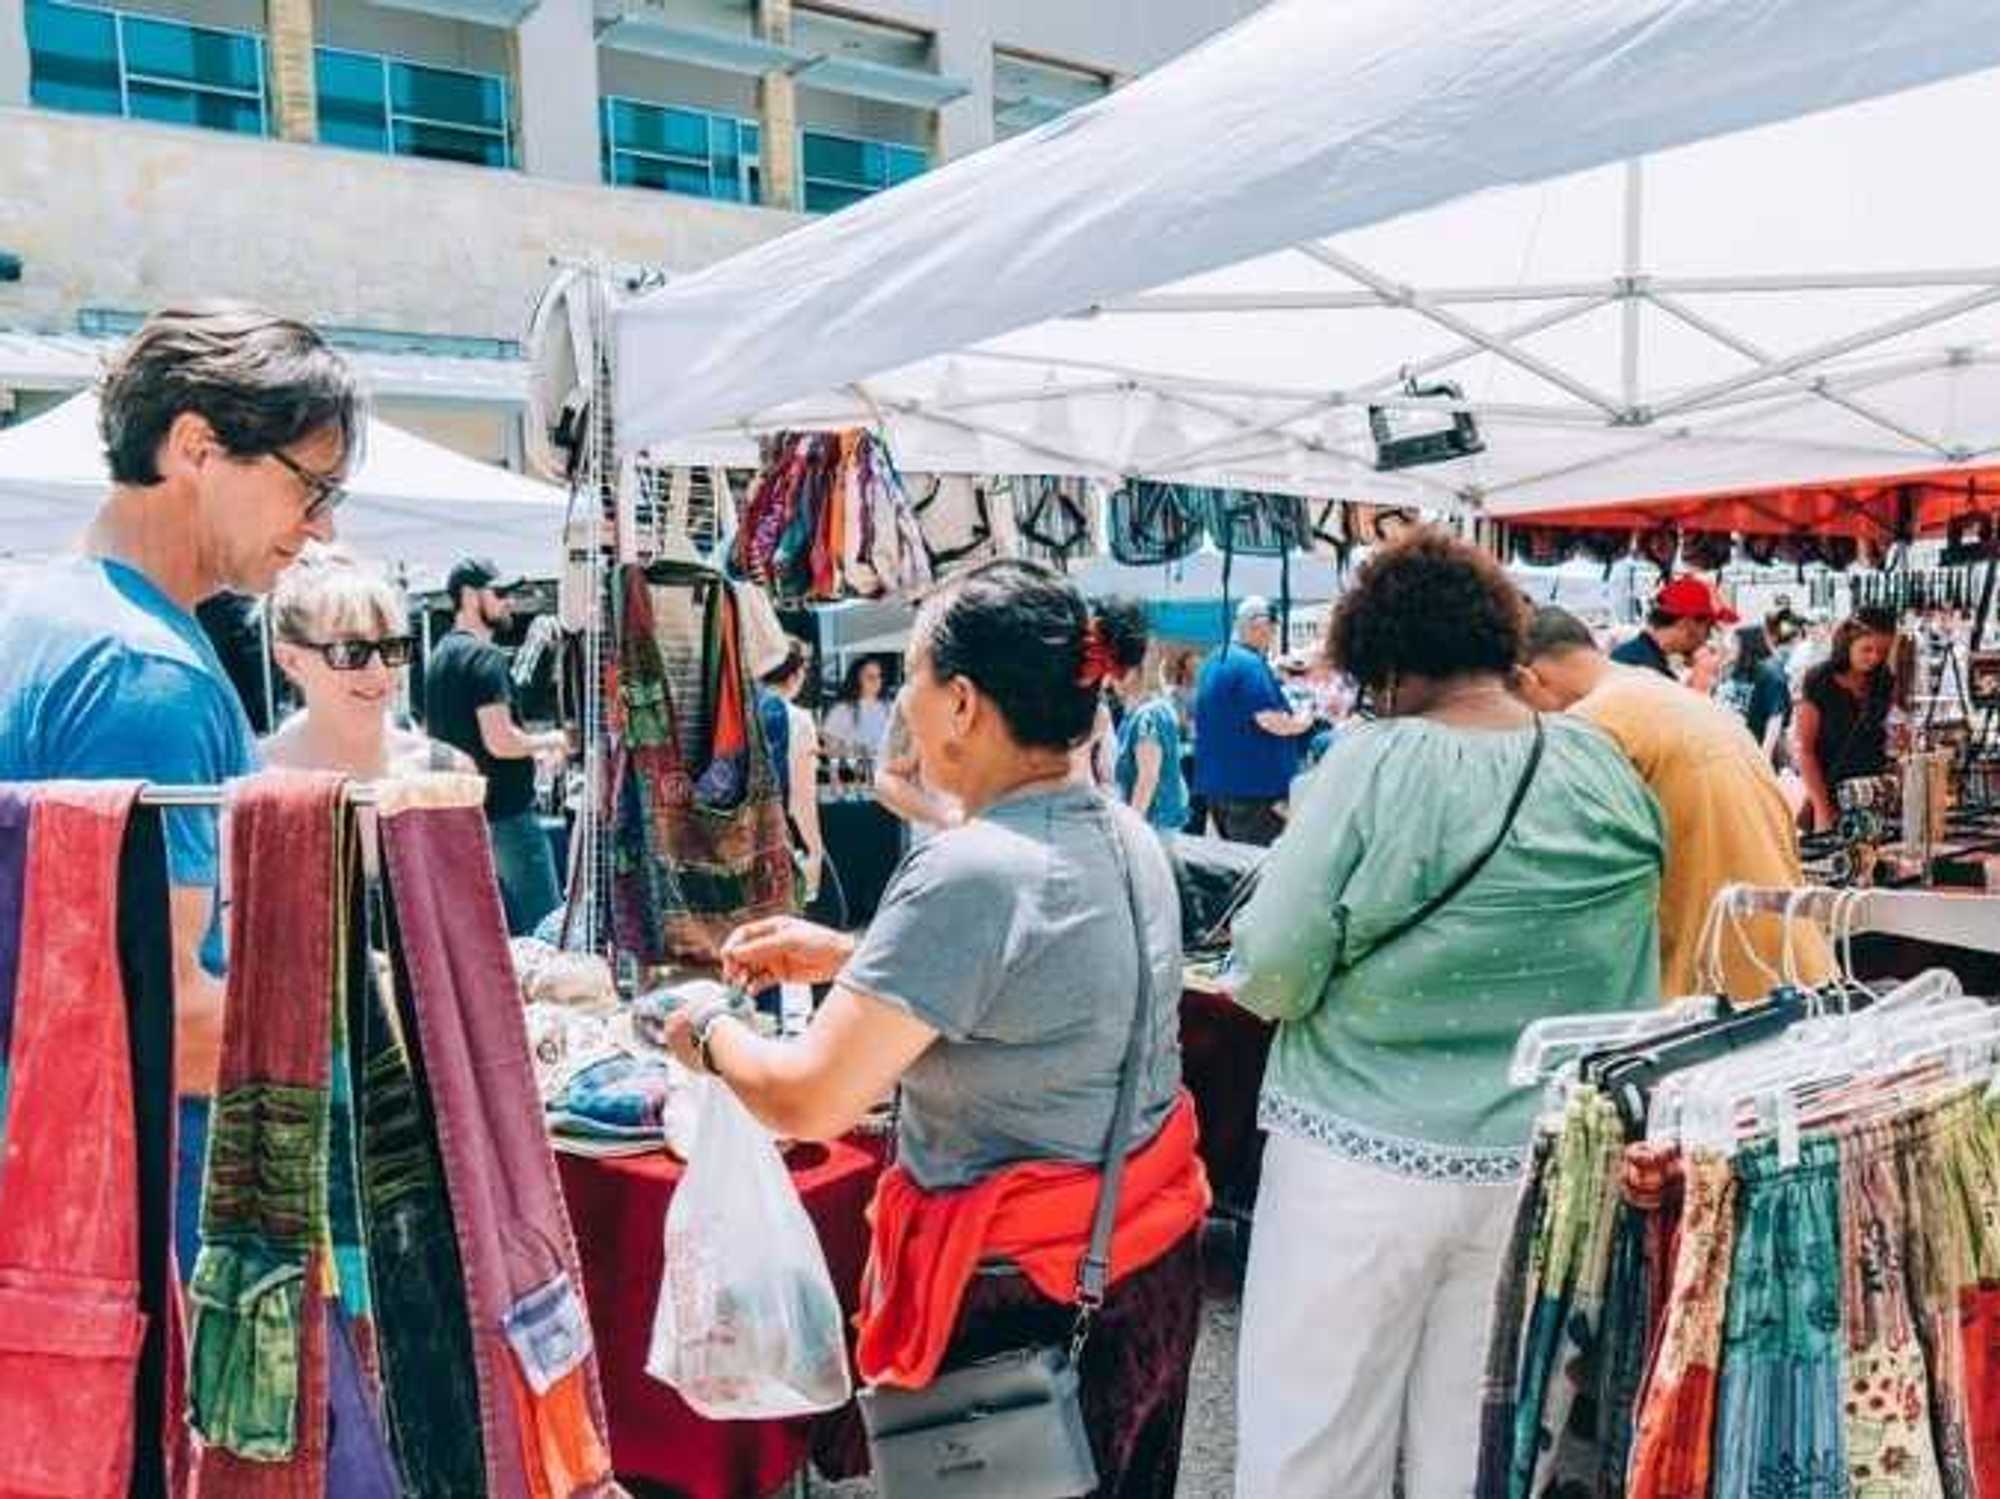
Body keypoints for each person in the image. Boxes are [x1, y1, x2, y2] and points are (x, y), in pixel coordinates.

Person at [659, 559, 1210, 1498]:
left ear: (961, 703)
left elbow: (810, 1099)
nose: (905, 702)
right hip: (1145, 1260)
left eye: (914, 672)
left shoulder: (969, 870)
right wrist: (851, 954)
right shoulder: (1126, 835)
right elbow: (1045, 977)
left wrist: (706, 1028)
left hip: (1022, 1296)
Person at [1227, 529, 1664, 1499]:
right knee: (1481, 1456)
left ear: (1384, 662)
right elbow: (1631, 975)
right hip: (1540, 1168)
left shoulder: (1371, 763)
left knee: (1313, 1443)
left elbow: (1272, 970)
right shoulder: (1599, 766)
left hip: (1355, 1152)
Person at [0, 302, 361, 1267]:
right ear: (197, 446)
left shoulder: (47, 613)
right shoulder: (145, 671)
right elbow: (170, 1020)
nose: (323, 526)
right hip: (144, 1231)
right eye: (311, 485)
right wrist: (375, 1024)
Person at [1517, 606, 1823, 1000]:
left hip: (1715, 996)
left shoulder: (1587, 728)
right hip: (1799, 971)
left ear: (1527, 679)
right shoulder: (1674, 698)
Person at [424, 555, 568, 935]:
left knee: (483, 933)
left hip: (461, 817)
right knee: (546, 927)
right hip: (507, 817)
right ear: (470, 596)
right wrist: (552, 740)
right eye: (500, 593)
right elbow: (500, 741)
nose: (510, 603)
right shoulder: (485, 658)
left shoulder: (438, 658)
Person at [261, 544, 472, 779]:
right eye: (351, 651)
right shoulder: (253, 777)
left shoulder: (445, 772)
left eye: (391, 647)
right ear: (291, 661)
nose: (379, 669)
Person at [1192, 596, 1315, 845]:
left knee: (1234, 862)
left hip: (1220, 790)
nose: (1273, 635)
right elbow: (1270, 720)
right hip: (1254, 794)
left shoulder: (1214, 660)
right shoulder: (1249, 665)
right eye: (1272, 628)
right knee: (1259, 864)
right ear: (1257, 625)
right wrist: (1304, 720)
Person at [1795, 607, 1900, 832]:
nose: (1874, 658)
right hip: (1830, 794)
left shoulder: (1884, 680)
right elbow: (1805, 751)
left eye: (1882, 651)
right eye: (1867, 649)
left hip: (1873, 796)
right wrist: (1822, 808)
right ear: (1848, 642)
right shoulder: (1819, 680)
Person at [1100, 599, 1190, 833]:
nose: (1109, 683)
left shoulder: (1146, 718)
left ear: (1130, 673)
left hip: (1152, 828)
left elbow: (1147, 778)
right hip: (1159, 825)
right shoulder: (1154, 709)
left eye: (1114, 674)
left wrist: (1131, 829)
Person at [757, 637, 825, 903]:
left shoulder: (739, 711)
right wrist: (815, 850)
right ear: (796, 675)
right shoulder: (798, 720)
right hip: (778, 841)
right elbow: (801, 799)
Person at [1609, 574, 1738, 677]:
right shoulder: (1650, 673)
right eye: (1708, 629)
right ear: (1686, 624)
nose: (1707, 639)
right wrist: (1702, 674)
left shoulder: (1628, 655)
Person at [1713, 619, 1792, 764]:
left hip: (1756, 747)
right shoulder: (1735, 669)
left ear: (1748, 643)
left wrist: (1764, 755)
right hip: (1733, 747)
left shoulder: (1770, 672)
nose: (1732, 647)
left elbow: (1776, 716)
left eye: (1735, 642)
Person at [822, 656, 893, 761]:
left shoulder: (890, 708)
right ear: (856, 680)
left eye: (879, 676)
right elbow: (830, 748)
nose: (877, 681)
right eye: (870, 677)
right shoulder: (841, 711)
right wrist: (861, 752)